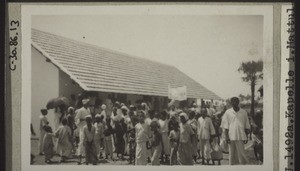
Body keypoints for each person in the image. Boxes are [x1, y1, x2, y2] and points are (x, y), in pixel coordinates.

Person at [221, 97, 251, 165]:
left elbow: (247, 125)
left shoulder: (243, 112)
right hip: (231, 136)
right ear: (231, 103)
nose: (234, 103)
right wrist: (226, 136)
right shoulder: (228, 112)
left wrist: (246, 136)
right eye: (233, 102)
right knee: (231, 154)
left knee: (241, 153)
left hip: (240, 135)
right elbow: (225, 125)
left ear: (238, 102)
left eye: (236, 101)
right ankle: (232, 167)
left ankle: (242, 167)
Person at [75, 98, 91, 164]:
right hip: (82, 128)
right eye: (88, 103)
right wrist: (82, 120)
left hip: (88, 127)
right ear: (85, 104)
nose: (89, 104)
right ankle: (79, 158)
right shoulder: (80, 110)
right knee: (81, 142)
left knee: (87, 142)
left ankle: (86, 158)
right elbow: (76, 119)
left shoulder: (88, 109)